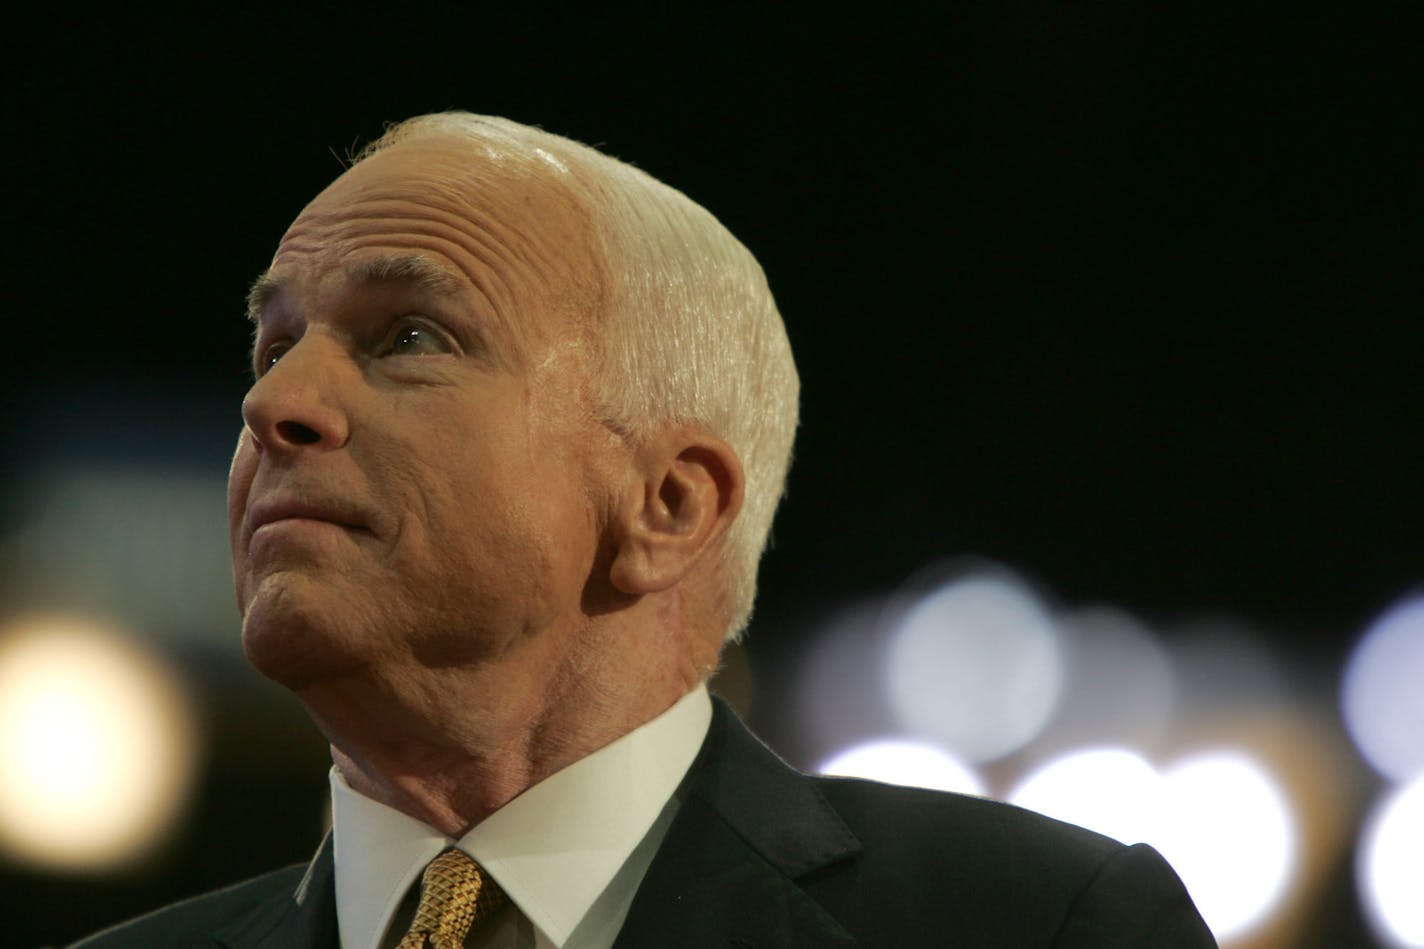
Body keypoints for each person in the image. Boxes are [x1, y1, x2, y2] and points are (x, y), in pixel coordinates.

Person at [73, 112, 1215, 948]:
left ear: (668, 506)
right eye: (274, 347)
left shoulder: (1031, 926)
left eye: (409, 336)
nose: (272, 405)